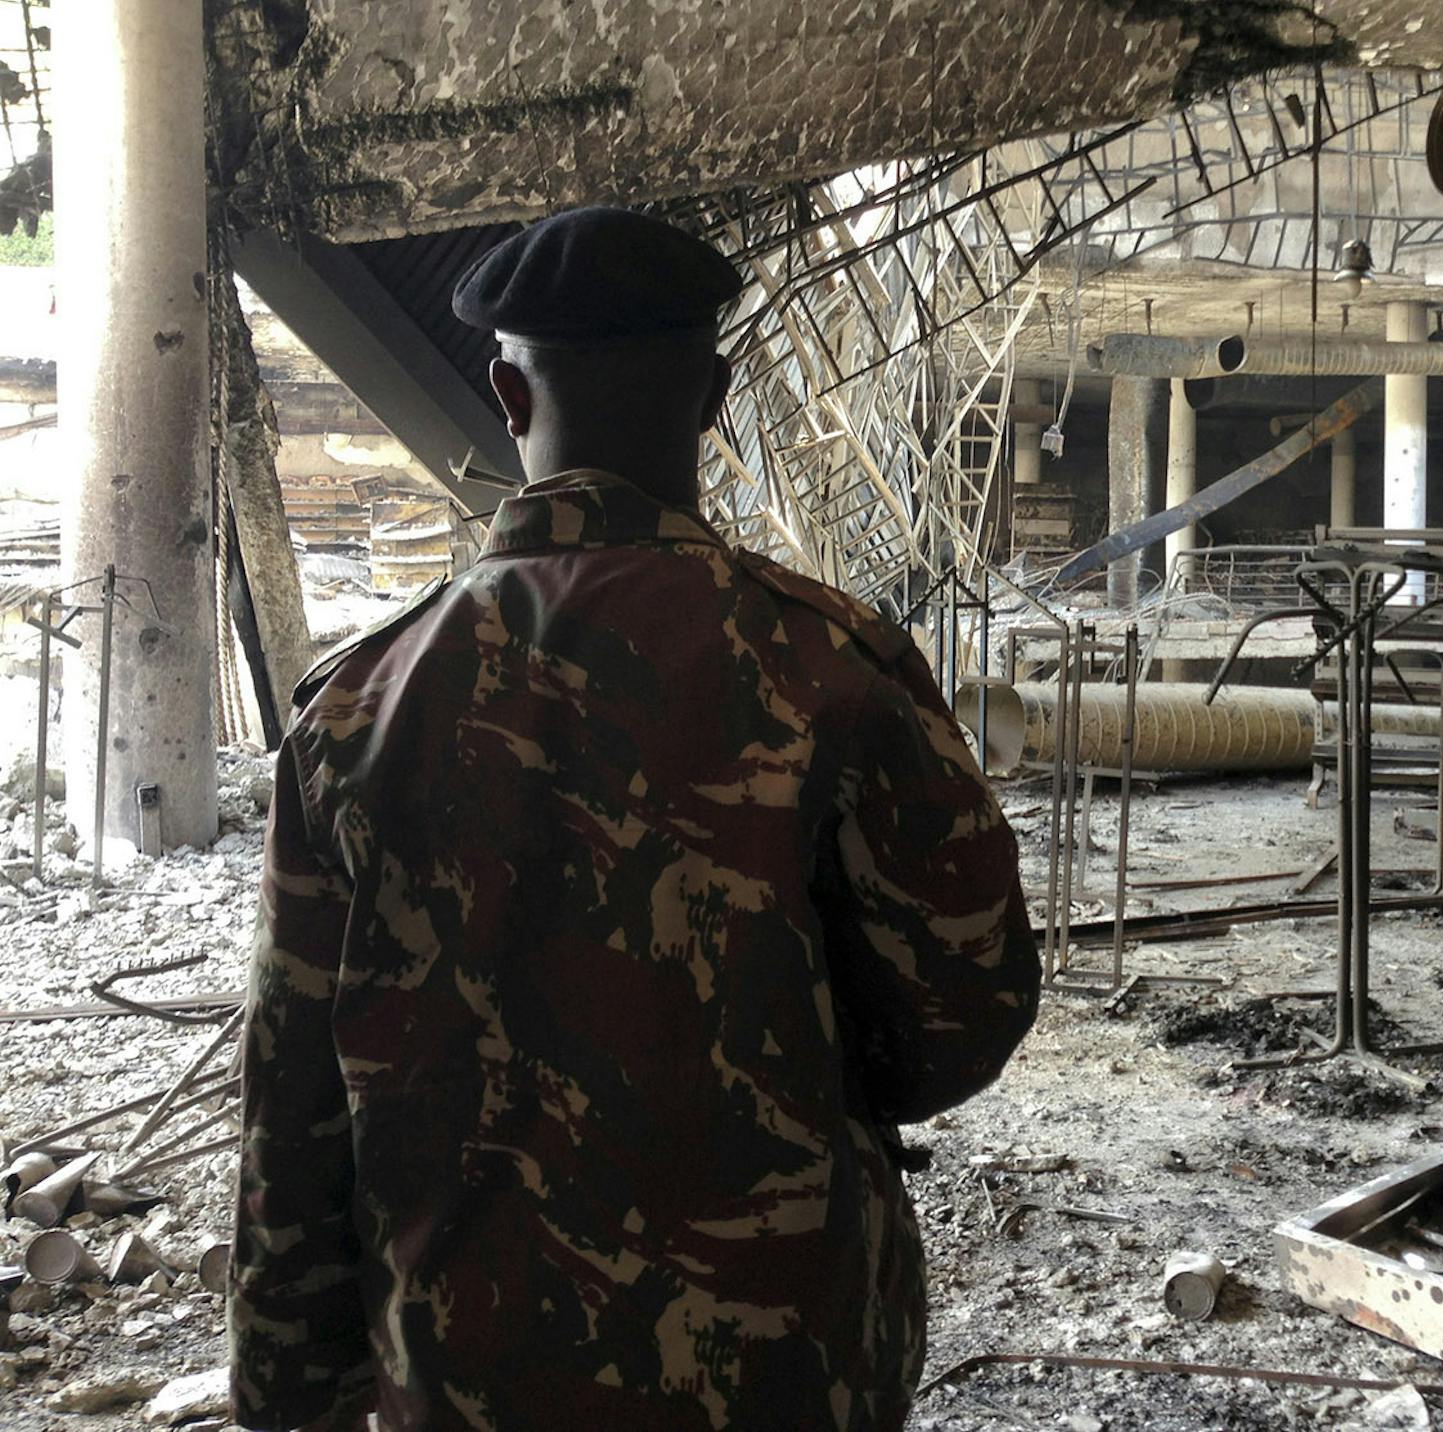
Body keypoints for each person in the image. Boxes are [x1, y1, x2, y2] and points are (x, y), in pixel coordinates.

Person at [229, 207, 1041, 1432]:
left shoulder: (358, 709)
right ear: (713, 396)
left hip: (469, 1373)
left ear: (506, 393)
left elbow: (293, 1104)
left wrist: (288, 1393)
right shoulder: (831, 666)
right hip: (783, 1366)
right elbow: (966, 1008)